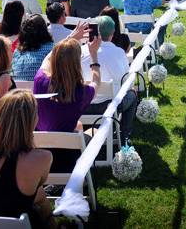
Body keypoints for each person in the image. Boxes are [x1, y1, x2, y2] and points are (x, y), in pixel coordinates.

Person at [0, 89, 53, 226]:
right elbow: (36, 185)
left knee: (38, 195)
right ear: (31, 120)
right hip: (17, 224)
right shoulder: (42, 158)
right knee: (39, 197)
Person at [34, 32, 100, 171]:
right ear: (77, 62)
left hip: (39, 152)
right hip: (68, 157)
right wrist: (94, 56)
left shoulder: (40, 80)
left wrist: (71, 38)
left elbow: (47, 59)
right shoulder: (82, 92)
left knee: (79, 125)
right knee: (94, 130)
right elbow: (96, 81)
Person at [81, 16, 138, 144]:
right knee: (133, 93)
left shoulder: (81, 50)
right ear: (112, 34)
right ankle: (125, 136)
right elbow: (127, 81)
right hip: (109, 107)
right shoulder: (118, 52)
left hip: (83, 105)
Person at [12, 15, 55, 81]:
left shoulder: (17, 52)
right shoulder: (51, 48)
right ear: (44, 30)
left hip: (18, 90)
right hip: (42, 89)